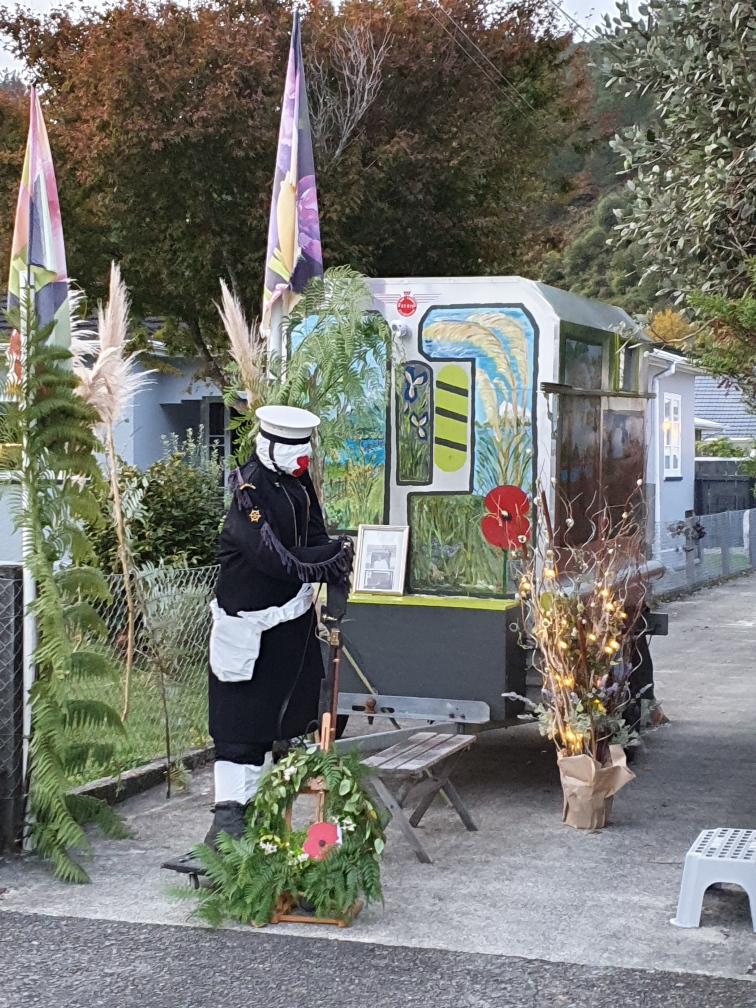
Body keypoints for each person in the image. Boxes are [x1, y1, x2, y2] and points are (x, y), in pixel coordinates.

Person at [205, 404, 353, 847]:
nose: (300, 456)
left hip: (291, 624)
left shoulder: (296, 484)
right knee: (241, 724)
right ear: (268, 444)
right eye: (291, 446)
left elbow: (312, 535)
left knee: (290, 714)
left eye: (304, 445)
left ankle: (270, 820)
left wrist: (333, 555)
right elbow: (276, 556)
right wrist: (331, 559)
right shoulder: (249, 491)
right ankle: (229, 822)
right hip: (249, 628)